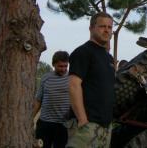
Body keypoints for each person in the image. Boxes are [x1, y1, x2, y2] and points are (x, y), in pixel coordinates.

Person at [66, 12, 116, 148]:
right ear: (91, 29)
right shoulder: (82, 53)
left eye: (110, 27)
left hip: (105, 127)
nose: (107, 30)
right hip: (86, 126)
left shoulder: (109, 58)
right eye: (102, 26)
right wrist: (82, 120)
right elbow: (73, 86)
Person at [32, 51, 70, 148]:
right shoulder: (45, 78)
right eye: (60, 66)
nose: (63, 69)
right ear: (53, 64)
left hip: (63, 124)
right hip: (45, 123)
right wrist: (30, 118)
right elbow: (38, 99)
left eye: (65, 66)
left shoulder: (71, 78)